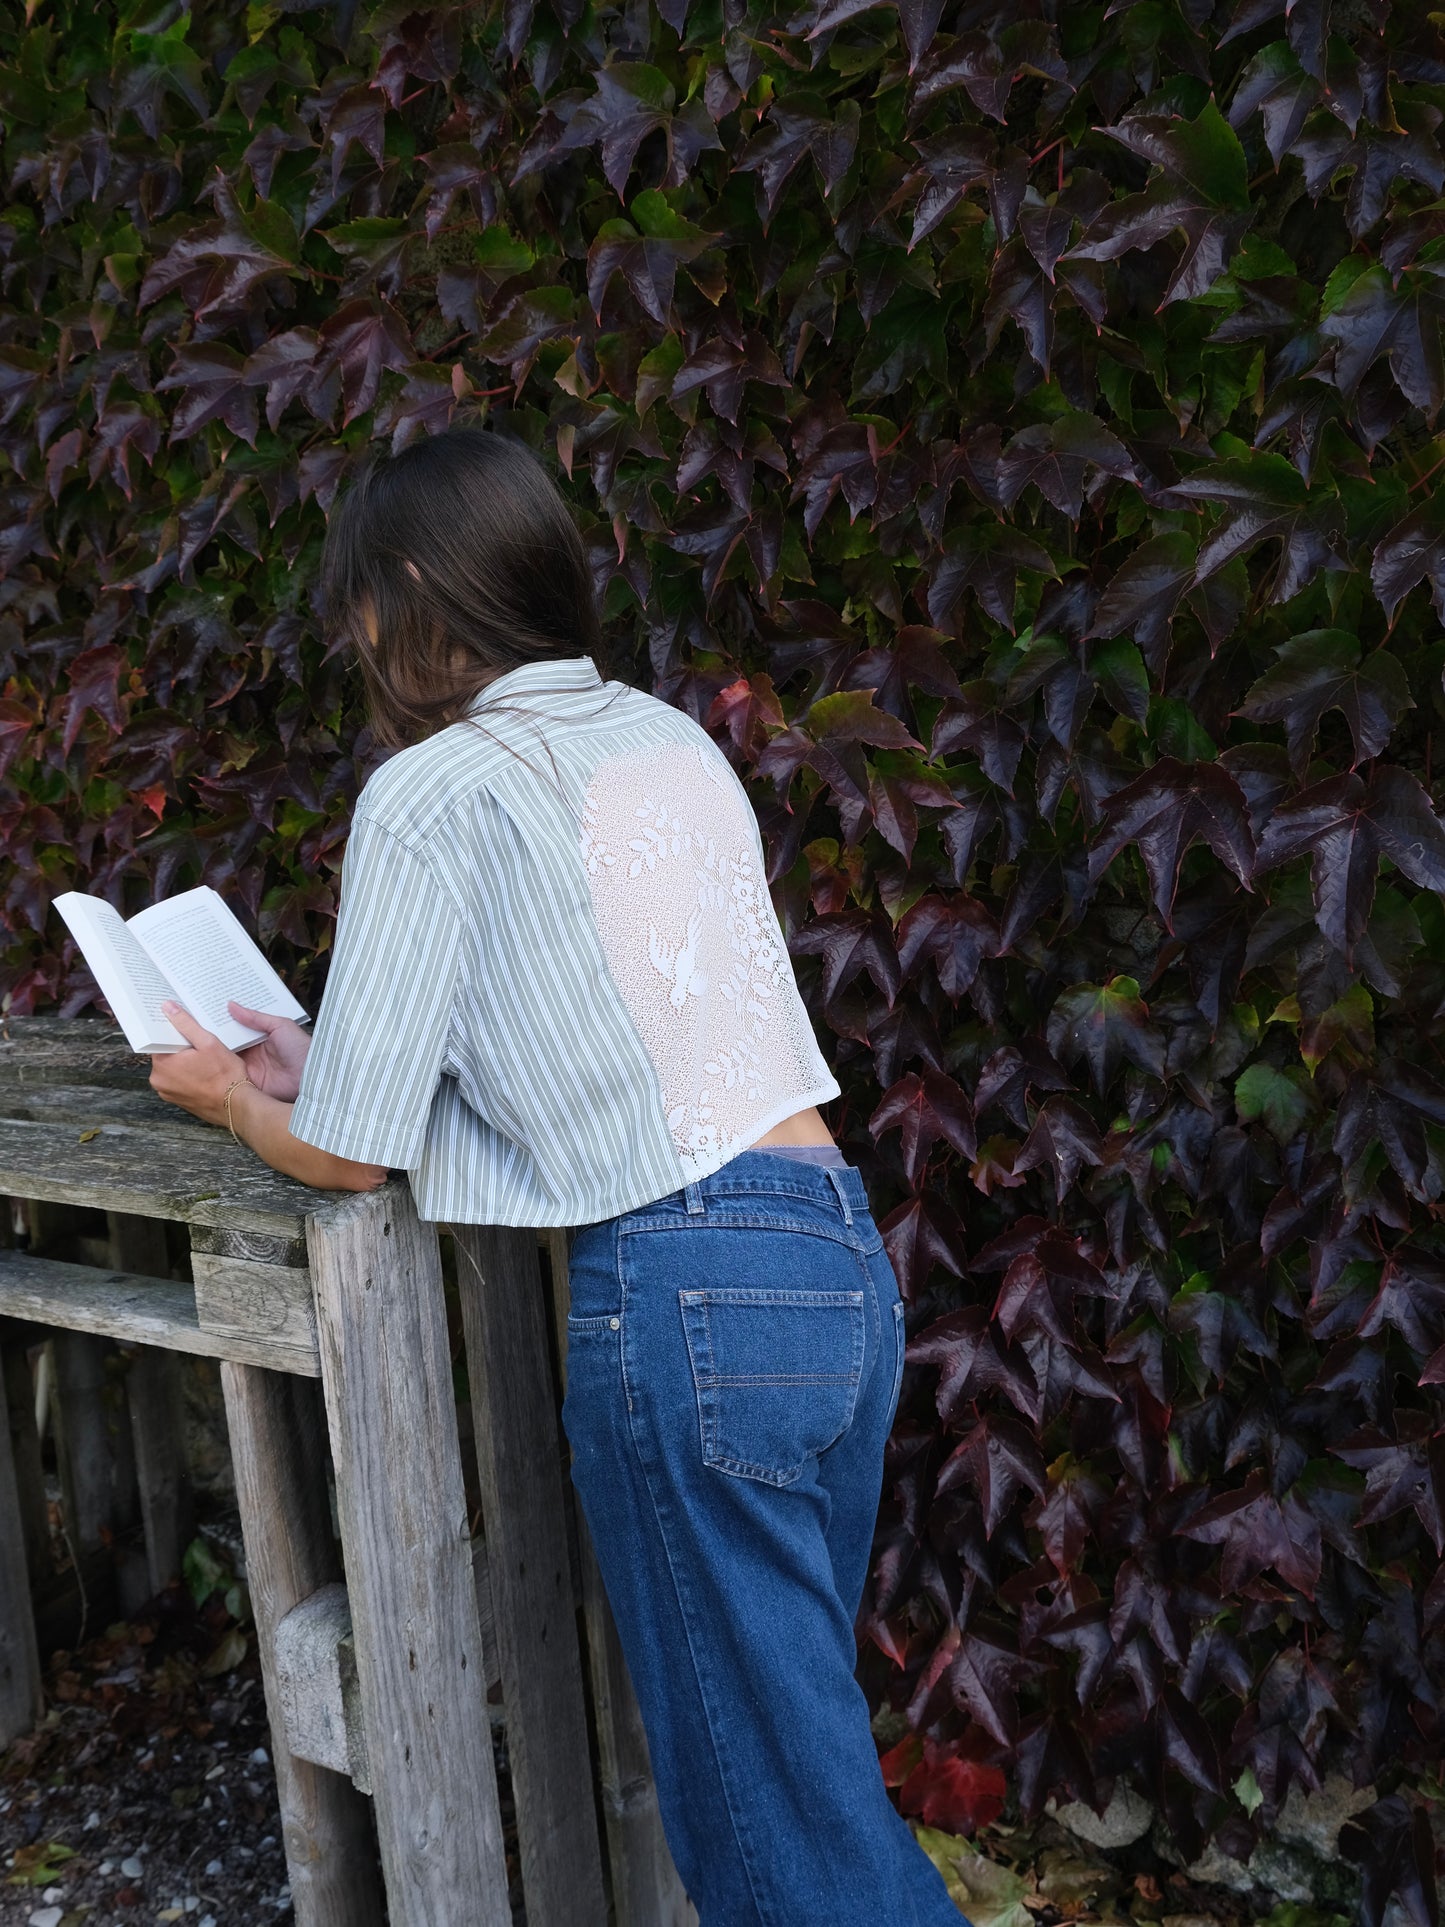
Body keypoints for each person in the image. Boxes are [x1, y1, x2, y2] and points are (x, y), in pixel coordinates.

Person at [146, 426, 960, 1926]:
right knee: (804, 1782)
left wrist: (224, 1100)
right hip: (832, 1253)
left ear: (405, 592)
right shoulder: (665, 736)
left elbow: (347, 1152)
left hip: (683, 1286)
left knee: (783, 1845)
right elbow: (601, 1016)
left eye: (354, 604)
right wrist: (316, 1056)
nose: (352, 638)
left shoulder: (433, 790)